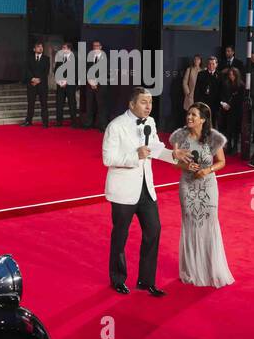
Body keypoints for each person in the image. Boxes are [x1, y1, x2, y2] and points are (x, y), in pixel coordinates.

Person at [102, 88, 190, 296]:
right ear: (132, 104)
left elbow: (155, 148)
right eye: (144, 102)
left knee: (154, 231)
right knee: (120, 236)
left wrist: (173, 154)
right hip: (123, 191)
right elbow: (108, 158)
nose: (148, 106)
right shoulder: (115, 126)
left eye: (150, 102)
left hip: (146, 190)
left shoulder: (149, 122)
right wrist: (136, 155)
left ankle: (146, 280)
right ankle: (117, 279)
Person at [167, 103, 234, 289]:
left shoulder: (213, 138)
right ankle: (192, 269)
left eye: (194, 115)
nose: (189, 118)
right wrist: (185, 166)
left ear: (203, 119)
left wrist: (207, 170)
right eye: (188, 114)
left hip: (208, 186)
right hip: (187, 186)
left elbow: (221, 162)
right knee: (190, 224)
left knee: (209, 223)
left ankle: (211, 268)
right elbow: (174, 162)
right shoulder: (179, 136)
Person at [22, 40, 50, 128]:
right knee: (30, 104)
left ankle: (45, 123)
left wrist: (38, 80)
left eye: (41, 47)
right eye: (38, 47)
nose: (40, 48)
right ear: (34, 49)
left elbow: (46, 72)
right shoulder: (29, 58)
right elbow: (27, 70)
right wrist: (32, 79)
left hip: (42, 85)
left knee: (44, 104)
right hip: (32, 84)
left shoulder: (46, 59)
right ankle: (28, 121)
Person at [216, 66, 243, 152]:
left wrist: (230, 105)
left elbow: (240, 99)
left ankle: (235, 147)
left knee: (236, 130)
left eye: (233, 75)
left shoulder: (241, 85)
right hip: (227, 110)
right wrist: (223, 103)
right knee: (228, 129)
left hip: (236, 110)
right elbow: (222, 95)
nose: (231, 76)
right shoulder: (226, 83)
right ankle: (229, 146)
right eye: (230, 74)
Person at [81, 41, 106, 128]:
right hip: (90, 85)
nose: (95, 47)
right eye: (94, 46)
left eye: (97, 46)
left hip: (101, 86)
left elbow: (105, 72)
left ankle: (102, 125)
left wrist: (96, 82)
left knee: (101, 106)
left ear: (101, 47)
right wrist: (91, 82)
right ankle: (88, 124)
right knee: (89, 105)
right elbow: (86, 71)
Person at [53, 43, 77, 127]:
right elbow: (55, 70)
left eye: (64, 47)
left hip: (70, 85)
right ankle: (59, 122)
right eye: (62, 47)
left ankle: (74, 122)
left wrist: (66, 81)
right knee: (59, 103)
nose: (62, 49)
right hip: (60, 85)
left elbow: (76, 72)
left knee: (72, 103)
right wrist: (60, 81)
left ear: (69, 49)